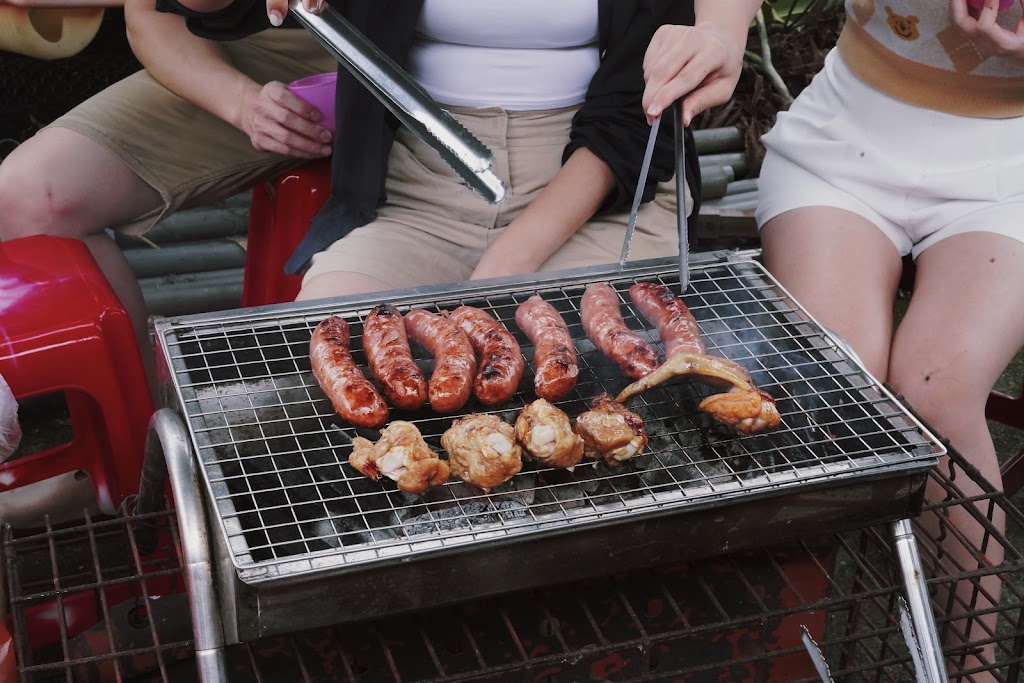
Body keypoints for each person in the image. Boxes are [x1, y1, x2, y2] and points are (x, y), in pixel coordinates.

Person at [647, 0, 1024, 677]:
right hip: (849, 137)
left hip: (1012, 156)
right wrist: (719, 35)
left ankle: (973, 667)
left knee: (935, 391)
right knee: (835, 389)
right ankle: (786, 652)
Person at [161, 0, 761, 301]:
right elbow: (214, 9)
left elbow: (634, 116)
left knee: (571, 374)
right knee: (333, 335)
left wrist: (501, 271)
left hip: (598, 189)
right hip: (420, 186)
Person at [0, 0, 336, 385]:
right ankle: (152, 431)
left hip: (393, 43)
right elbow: (150, 12)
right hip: (246, 38)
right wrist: (243, 103)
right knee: (33, 196)